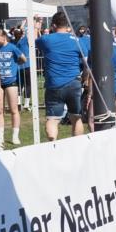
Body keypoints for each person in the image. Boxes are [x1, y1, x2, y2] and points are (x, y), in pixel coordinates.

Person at [36, 12, 89, 140]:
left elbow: (32, 41)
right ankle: (77, 145)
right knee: (76, 117)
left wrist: (37, 26)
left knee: (52, 119)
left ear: (53, 25)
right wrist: (85, 78)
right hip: (74, 83)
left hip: (54, 84)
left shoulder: (46, 39)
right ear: (68, 25)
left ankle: (53, 142)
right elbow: (86, 65)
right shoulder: (77, 41)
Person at [0, 28, 27, 146]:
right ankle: (0, 136)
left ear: (4, 37)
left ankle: (15, 136)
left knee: (14, 109)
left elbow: (23, 58)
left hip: (11, 81)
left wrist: (16, 64)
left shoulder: (12, 47)